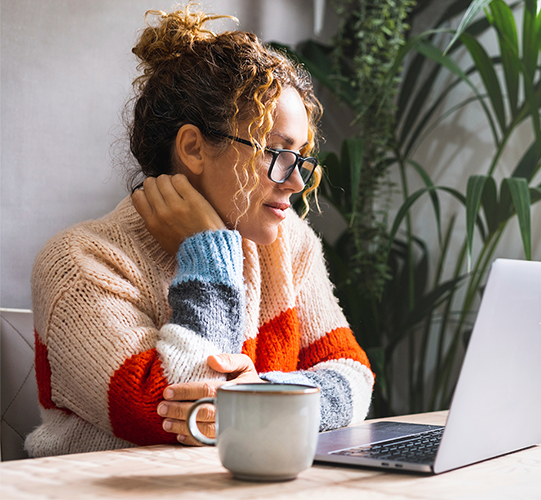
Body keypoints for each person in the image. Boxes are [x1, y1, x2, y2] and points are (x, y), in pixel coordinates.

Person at [24, 7, 372, 457]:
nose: (297, 181)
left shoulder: (291, 245)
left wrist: (259, 394)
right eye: (277, 153)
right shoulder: (80, 262)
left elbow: (355, 375)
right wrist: (207, 253)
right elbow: (182, 418)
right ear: (192, 148)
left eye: (301, 157)